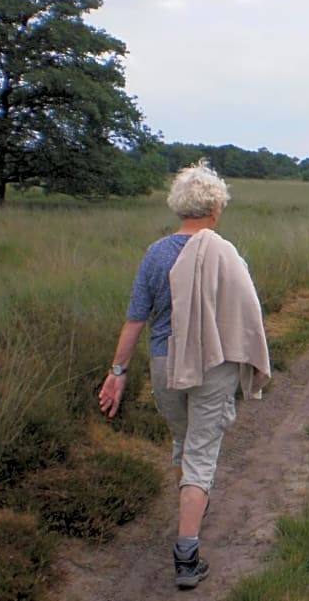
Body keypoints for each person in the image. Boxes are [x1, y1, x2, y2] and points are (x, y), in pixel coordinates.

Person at [97, 159, 271, 590]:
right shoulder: (225, 252)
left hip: (164, 364)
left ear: (179, 207)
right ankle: (187, 556)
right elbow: (247, 312)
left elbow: (135, 320)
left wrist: (117, 372)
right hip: (214, 364)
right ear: (215, 208)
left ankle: (191, 502)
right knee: (201, 454)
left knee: (184, 441)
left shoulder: (155, 254)